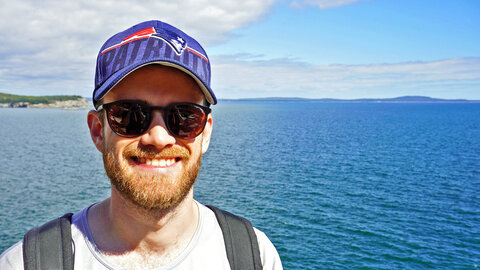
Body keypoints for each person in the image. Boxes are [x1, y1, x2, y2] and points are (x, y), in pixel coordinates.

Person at [0, 20, 283, 270]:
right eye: (129, 115)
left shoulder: (255, 256)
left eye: (184, 116)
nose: (159, 137)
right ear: (98, 131)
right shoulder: (28, 263)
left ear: (205, 133)